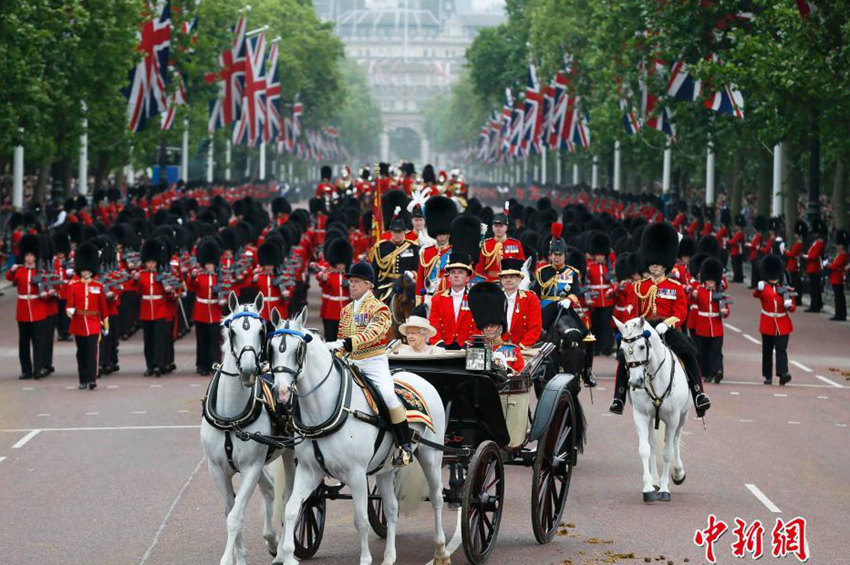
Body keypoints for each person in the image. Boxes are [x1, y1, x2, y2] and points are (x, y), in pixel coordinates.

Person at [609, 222, 711, 417]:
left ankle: (699, 395)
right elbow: (631, 313)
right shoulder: (638, 287)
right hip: (644, 329)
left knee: (688, 353)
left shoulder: (676, 287)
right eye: (653, 262)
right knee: (625, 358)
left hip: (667, 329)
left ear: (666, 264)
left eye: (659, 262)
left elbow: (681, 312)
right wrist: (636, 328)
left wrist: (667, 323)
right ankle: (618, 398)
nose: (655, 265)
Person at [327, 261, 412, 467]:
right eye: (350, 282)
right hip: (350, 362)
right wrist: (335, 352)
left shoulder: (380, 308)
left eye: (356, 282)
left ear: (368, 285)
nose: (352, 285)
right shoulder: (346, 310)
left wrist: (348, 343)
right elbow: (341, 336)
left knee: (389, 396)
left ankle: (404, 445)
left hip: (373, 362)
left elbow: (374, 333)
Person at [6, 233, 49, 379]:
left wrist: (46, 294)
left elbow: (47, 289)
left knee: (38, 341)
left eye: (32, 255)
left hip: (38, 309)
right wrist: (12, 269)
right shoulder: (19, 270)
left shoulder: (41, 272)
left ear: (35, 256)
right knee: (23, 342)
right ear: (24, 256)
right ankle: (26, 370)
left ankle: (38, 368)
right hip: (23, 310)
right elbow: (9, 278)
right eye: (27, 255)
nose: (30, 258)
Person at [66, 242, 109, 390]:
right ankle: (82, 379)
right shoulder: (73, 286)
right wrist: (69, 311)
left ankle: (91, 379)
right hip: (78, 322)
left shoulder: (98, 286)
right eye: (82, 271)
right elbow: (69, 303)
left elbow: (103, 307)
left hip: (93, 322)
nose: (85, 273)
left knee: (92, 351)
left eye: (87, 271)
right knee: (81, 352)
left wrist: (106, 324)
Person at [467, 282, 525, 373]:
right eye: (485, 326)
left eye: (492, 325)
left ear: (500, 326)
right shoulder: (474, 349)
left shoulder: (512, 350)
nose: (488, 329)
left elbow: (519, 378)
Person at [187, 237, 225, 376]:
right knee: (202, 340)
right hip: (201, 311)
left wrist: (223, 300)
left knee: (214, 340)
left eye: (212, 265)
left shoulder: (219, 277)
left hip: (215, 311)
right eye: (207, 265)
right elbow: (191, 287)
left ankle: (215, 362)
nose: (210, 267)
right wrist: (192, 276)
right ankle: (202, 364)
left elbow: (226, 290)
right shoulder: (200, 277)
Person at [755, 254, 795, 385]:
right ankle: (767, 375)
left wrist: (789, 305)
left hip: (783, 323)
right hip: (768, 322)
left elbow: (793, 306)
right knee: (767, 350)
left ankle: (783, 373)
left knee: (781, 349)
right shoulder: (764, 288)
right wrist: (758, 288)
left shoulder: (785, 289)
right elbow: (756, 294)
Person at [137, 239, 173, 377]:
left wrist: (169, 291)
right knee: (148, 341)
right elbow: (136, 291)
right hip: (146, 311)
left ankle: (159, 365)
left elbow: (171, 296)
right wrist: (135, 280)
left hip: (160, 311)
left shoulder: (163, 276)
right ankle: (150, 366)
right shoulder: (141, 275)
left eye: (153, 262)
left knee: (159, 340)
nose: (151, 264)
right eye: (149, 262)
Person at [691, 258, 730, 384]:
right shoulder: (700, 291)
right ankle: (707, 373)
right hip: (702, 326)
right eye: (708, 281)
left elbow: (726, 309)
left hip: (716, 325)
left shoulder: (720, 293)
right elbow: (690, 301)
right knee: (704, 352)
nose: (710, 283)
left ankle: (718, 371)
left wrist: (724, 312)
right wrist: (693, 295)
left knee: (717, 351)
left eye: (713, 281)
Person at [428, 253, 478, 349]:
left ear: (467, 278)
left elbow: (478, 325)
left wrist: (470, 344)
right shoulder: (437, 298)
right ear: (449, 277)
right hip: (442, 346)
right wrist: (438, 344)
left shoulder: (475, 298)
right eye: (453, 272)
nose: (456, 275)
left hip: (468, 347)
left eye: (460, 272)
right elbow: (434, 323)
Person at [372, 207, 419, 302]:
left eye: (400, 232)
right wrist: (373, 288)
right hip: (386, 284)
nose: (397, 234)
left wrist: (412, 274)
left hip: (406, 284)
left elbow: (417, 268)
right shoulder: (381, 247)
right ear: (391, 232)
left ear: (404, 232)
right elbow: (375, 270)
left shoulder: (412, 247)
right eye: (395, 231)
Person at [415, 195, 457, 300]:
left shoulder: (455, 252)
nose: (441, 236)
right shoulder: (426, 252)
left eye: (444, 233)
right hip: (429, 298)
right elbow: (420, 280)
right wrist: (419, 300)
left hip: (449, 297)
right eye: (439, 233)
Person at [498, 258, 542, 348]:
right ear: (501, 280)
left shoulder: (531, 298)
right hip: (498, 348)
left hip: (523, 348)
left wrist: (521, 347)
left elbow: (535, 328)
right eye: (505, 277)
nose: (508, 280)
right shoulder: (494, 298)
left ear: (520, 279)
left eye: (512, 277)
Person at [477, 205, 525, 281]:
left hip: (509, 280)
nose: (498, 228)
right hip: (490, 280)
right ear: (492, 227)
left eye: (501, 226)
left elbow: (522, 266)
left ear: (506, 227)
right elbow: (480, 267)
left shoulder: (515, 244)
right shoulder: (486, 244)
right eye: (496, 226)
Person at [586, 232, 615, 355]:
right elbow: (587, 283)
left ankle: (607, 346)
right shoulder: (589, 267)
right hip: (596, 300)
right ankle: (596, 348)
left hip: (608, 299)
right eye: (597, 255)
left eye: (601, 255)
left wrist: (611, 289)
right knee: (596, 324)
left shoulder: (609, 267)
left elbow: (614, 281)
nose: (599, 257)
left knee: (606, 324)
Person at [318, 237, 353, 341]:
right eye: (338, 263)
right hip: (331, 312)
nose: (341, 266)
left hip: (347, 311)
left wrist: (350, 285)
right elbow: (323, 284)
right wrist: (323, 279)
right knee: (331, 339)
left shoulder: (350, 276)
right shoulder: (329, 275)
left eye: (342, 263)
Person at [802, 220, 825, 312]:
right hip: (812, 267)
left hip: (815, 268)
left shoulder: (819, 243)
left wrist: (805, 256)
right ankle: (817, 304)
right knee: (815, 288)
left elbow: (814, 256)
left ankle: (815, 306)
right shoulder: (816, 242)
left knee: (814, 288)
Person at [827, 230, 848, 321]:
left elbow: (835, 266)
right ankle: (839, 313)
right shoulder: (839, 255)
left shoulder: (843, 255)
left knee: (839, 298)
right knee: (838, 297)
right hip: (835, 278)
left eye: (839, 246)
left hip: (838, 278)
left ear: (842, 247)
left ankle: (840, 314)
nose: (838, 247)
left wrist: (828, 265)